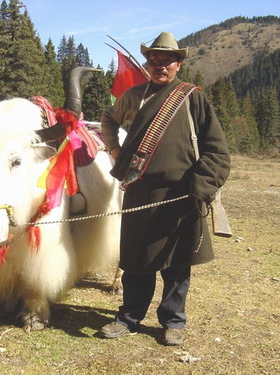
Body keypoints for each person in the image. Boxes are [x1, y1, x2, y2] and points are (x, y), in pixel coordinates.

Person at [100, 32, 231, 346]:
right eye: (154, 60)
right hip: (140, 190)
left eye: (167, 60)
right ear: (148, 63)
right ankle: (129, 317)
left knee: (177, 264)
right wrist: (114, 150)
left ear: (178, 63)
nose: (160, 66)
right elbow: (108, 118)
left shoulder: (192, 98)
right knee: (135, 260)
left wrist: (201, 185)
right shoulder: (134, 96)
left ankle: (173, 323)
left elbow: (217, 151)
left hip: (182, 194)